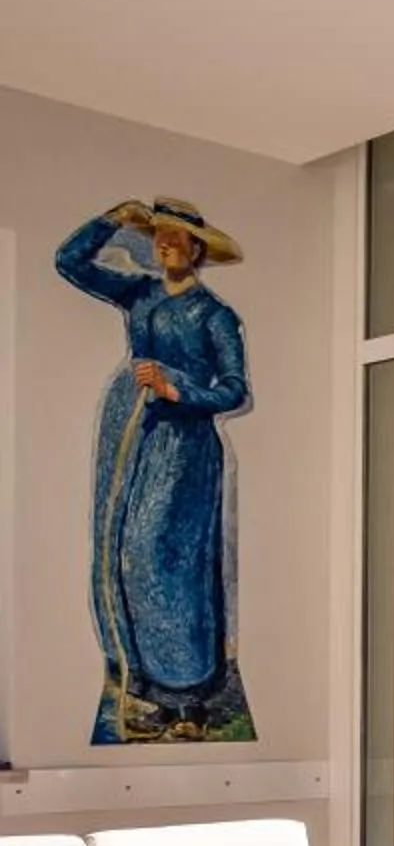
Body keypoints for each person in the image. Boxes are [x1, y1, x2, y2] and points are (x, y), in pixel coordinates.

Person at [54, 200, 256, 743]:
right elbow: (68, 263)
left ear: (197, 251)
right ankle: (148, 686)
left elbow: (236, 389)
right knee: (122, 548)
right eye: (160, 235)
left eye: (177, 238)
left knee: (165, 557)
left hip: (184, 448)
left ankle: (189, 694)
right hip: (131, 437)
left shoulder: (214, 315)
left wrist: (178, 389)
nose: (166, 244)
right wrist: (111, 221)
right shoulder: (139, 295)